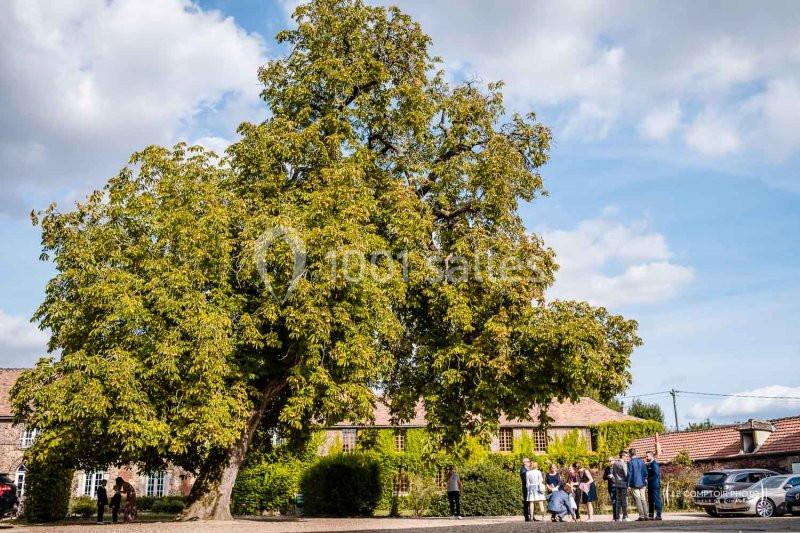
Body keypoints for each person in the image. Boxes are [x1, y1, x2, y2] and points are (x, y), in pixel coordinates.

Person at [627, 448, 648, 521]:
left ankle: (641, 516)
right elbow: (645, 472)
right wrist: (645, 478)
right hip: (642, 483)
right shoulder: (641, 461)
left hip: (634, 483)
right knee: (643, 499)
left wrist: (628, 484)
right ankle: (646, 515)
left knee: (638, 499)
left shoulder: (630, 462)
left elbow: (629, 474)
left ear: (630, 454)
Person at [611, 451, 629, 522]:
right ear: (623, 456)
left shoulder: (615, 463)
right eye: (626, 456)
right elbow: (626, 474)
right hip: (623, 483)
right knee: (624, 500)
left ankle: (617, 517)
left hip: (617, 483)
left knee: (618, 500)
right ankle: (625, 516)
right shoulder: (623, 464)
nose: (627, 458)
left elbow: (613, 474)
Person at [646, 451, 663, 520]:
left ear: (651, 456)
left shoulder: (654, 464)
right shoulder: (649, 464)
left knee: (656, 500)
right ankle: (651, 515)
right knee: (650, 500)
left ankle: (658, 515)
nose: (646, 457)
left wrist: (648, 479)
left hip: (655, 485)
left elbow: (656, 475)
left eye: (647, 456)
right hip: (650, 485)